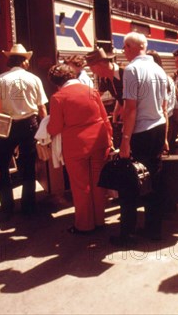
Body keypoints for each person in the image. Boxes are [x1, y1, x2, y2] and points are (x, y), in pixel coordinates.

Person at [111, 32, 168, 246]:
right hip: (158, 127)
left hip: (141, 131)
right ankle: (154, 229)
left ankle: (127, 234)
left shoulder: (132, 70)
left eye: (124, 48)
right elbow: (163, 107)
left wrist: (125, 140)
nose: (123, 52)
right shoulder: (159, 70)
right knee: (153, 179)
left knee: (129, 182)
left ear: (131, 47)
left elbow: (131, 109)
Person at [0, 44, 48, 216]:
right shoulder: (35, 79)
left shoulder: (0, 79)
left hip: (7, 125)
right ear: (24, 62)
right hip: (30, 125)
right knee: (29, 166)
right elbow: (42, 109)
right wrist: (45, 129)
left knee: (3, 165)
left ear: (10, 61)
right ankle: (28, 206)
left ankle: (7, 206)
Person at [46, 63, 112, 234]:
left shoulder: (58, 97)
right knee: (99, 183)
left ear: (56, 82)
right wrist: (109, 139)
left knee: (81, 186)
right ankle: (99, 221)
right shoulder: (91, 91)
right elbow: (105, 118)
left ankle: (84, 225)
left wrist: (46, 128)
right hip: (99, 142)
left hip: (76, 146)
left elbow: (55, 127)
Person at [86, 47, 124, 123]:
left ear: (101, 64)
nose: (93, 72)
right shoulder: (105, 79)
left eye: (92, 68)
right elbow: (97, 95)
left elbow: (131, 101)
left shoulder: (124, 74)